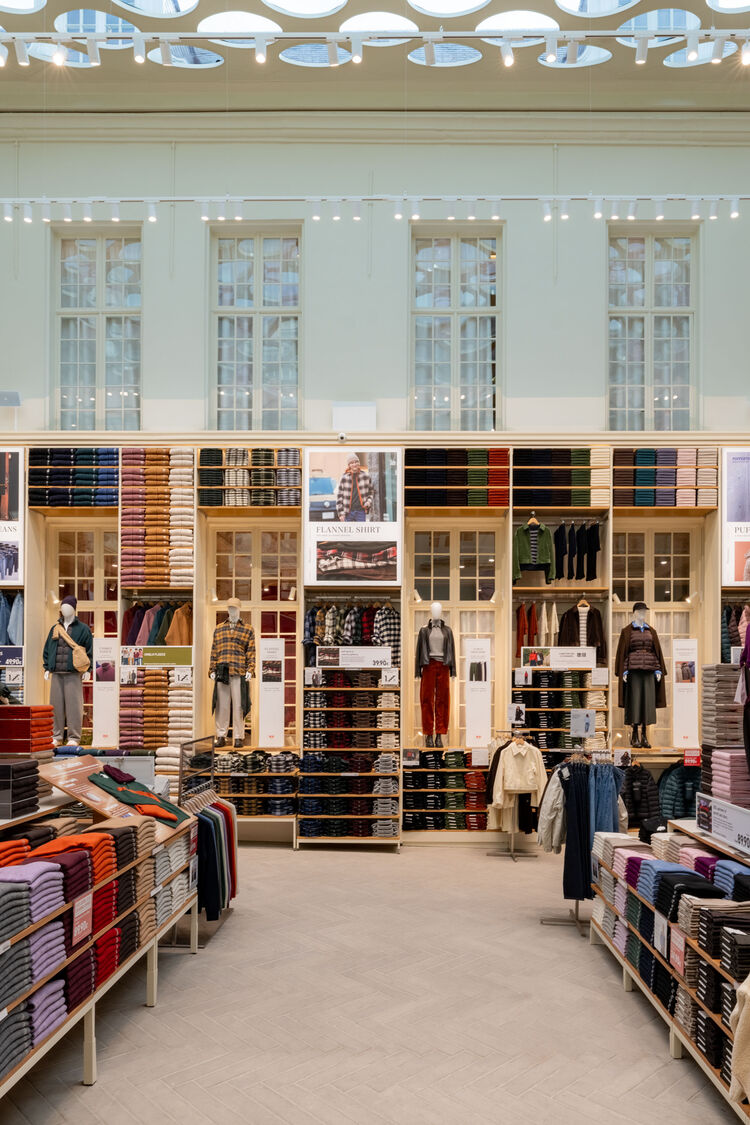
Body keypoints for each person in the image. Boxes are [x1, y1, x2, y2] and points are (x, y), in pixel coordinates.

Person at [336, 455, 373, 522]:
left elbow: (371, 492)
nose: (355, 464)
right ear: (349, 465)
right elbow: (339, 497)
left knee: (361, 531)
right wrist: (341, 513)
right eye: (352, 463)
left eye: (356, 462)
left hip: (361, 511)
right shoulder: (344, 478)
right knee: (348, 532)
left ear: (359, 463)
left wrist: (368, 502)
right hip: (347, 512)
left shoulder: (365, 476)